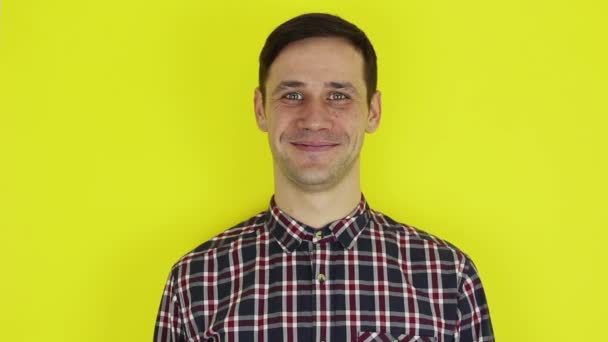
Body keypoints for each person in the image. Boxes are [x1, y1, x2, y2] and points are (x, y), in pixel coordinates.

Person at [154, 13, 494, 342]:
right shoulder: (195, 282)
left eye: (338, 96)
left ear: (373, 112)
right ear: (260, 110)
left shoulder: (447, 277)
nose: (314, 119)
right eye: (292, 95)